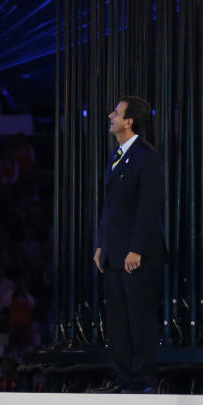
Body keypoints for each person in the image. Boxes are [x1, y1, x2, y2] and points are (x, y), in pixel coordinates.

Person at [93, 97, 166, 394]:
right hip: (113, 252)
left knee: (140, 319)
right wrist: (101, 245)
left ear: (129, 121)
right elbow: (109, 207)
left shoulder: (147, 157)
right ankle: (122, 379)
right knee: (118, 320)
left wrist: (136, 248)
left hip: (137, 254)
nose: (111, 115)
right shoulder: (116, 155)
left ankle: (144, 380)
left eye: (117, 112)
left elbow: (149, 207)